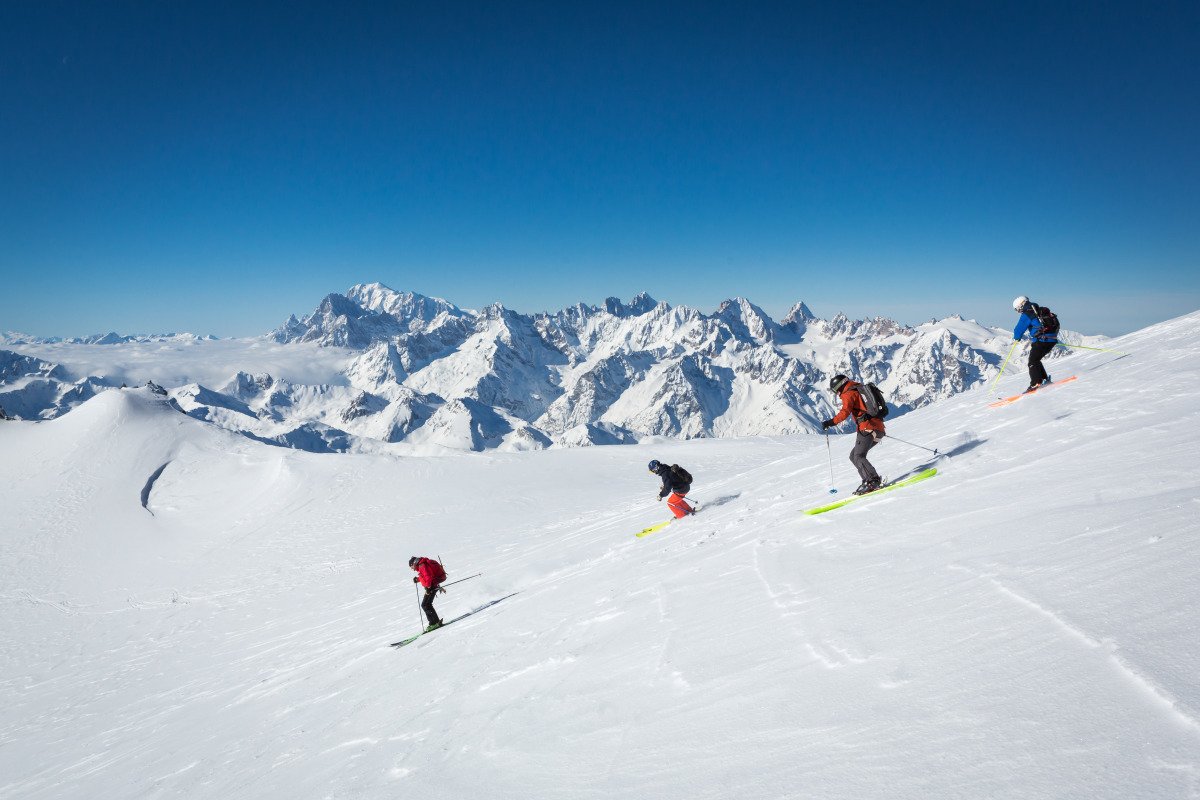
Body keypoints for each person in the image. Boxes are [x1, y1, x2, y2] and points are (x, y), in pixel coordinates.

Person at [821, 374, 886, 495]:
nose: (837, 393)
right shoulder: (858, 388)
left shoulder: (848, 393)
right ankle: (867, 480)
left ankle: (873, 480)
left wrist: (830, 422)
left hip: (867, 428)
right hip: (878, 428)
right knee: (853, 455)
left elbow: (845, 412)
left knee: (858, 456)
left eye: (836, 390)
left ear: (840, 386)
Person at [1011, 295, 1059, 392]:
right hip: (1051, 339)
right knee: (1036, 360)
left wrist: (1017, 338)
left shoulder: (1027, 313)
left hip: (1042, 340)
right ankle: (1045, 380)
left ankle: (1035, 383)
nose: (1019, 311)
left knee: (1032, 362)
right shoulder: (1037, 310)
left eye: (1017, 309)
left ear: (1021, 305)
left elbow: (1018, 330)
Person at [409, 556, 446, 631]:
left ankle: (433, 623)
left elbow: (428, 576)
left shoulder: (422, 565)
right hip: (432, 585)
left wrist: (428, 587)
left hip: (432, 586)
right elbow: (425, 576)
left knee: (425, 605)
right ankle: (435, 622)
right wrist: (418, 579)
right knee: (426, 604)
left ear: (414, 563)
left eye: (411, 566)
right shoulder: (422, 565)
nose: (412, 569)